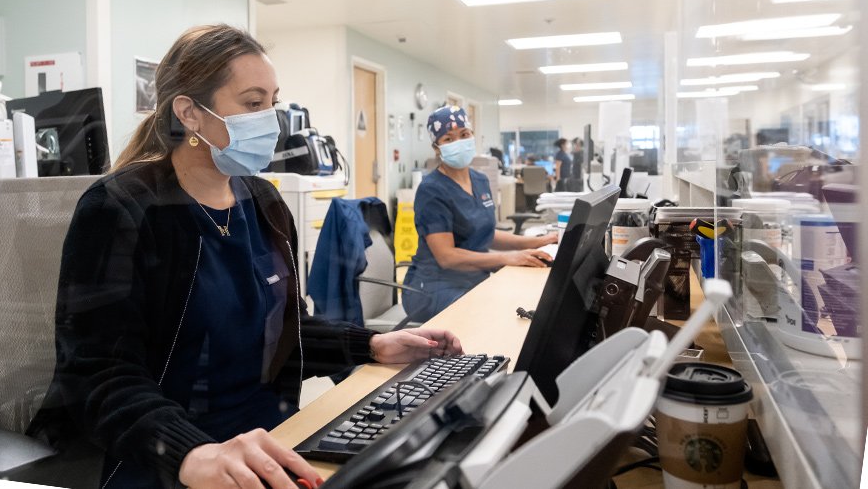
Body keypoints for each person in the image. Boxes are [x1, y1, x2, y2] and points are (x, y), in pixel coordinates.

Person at [29, 25, 464, 489]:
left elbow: (281, 329)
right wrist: (191, 453)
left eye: (272, 102)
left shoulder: (264, 203)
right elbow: (97, 375)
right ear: (190, 114)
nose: (270, 120)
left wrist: (370, 345)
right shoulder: (121, 208)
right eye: (253, 104)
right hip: (165, 456)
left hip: (272, 442)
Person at [401, 106, 557, 322]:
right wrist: (507, 258)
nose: (459, 142)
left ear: (472, 136)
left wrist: (535, 242)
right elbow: (447, 257)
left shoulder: (480, 180)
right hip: (433, 288)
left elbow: (484, 233)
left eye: (464, 134)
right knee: (492, 318)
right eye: (448, 138)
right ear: (437, 148)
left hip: (473, 278)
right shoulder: (432, 190)